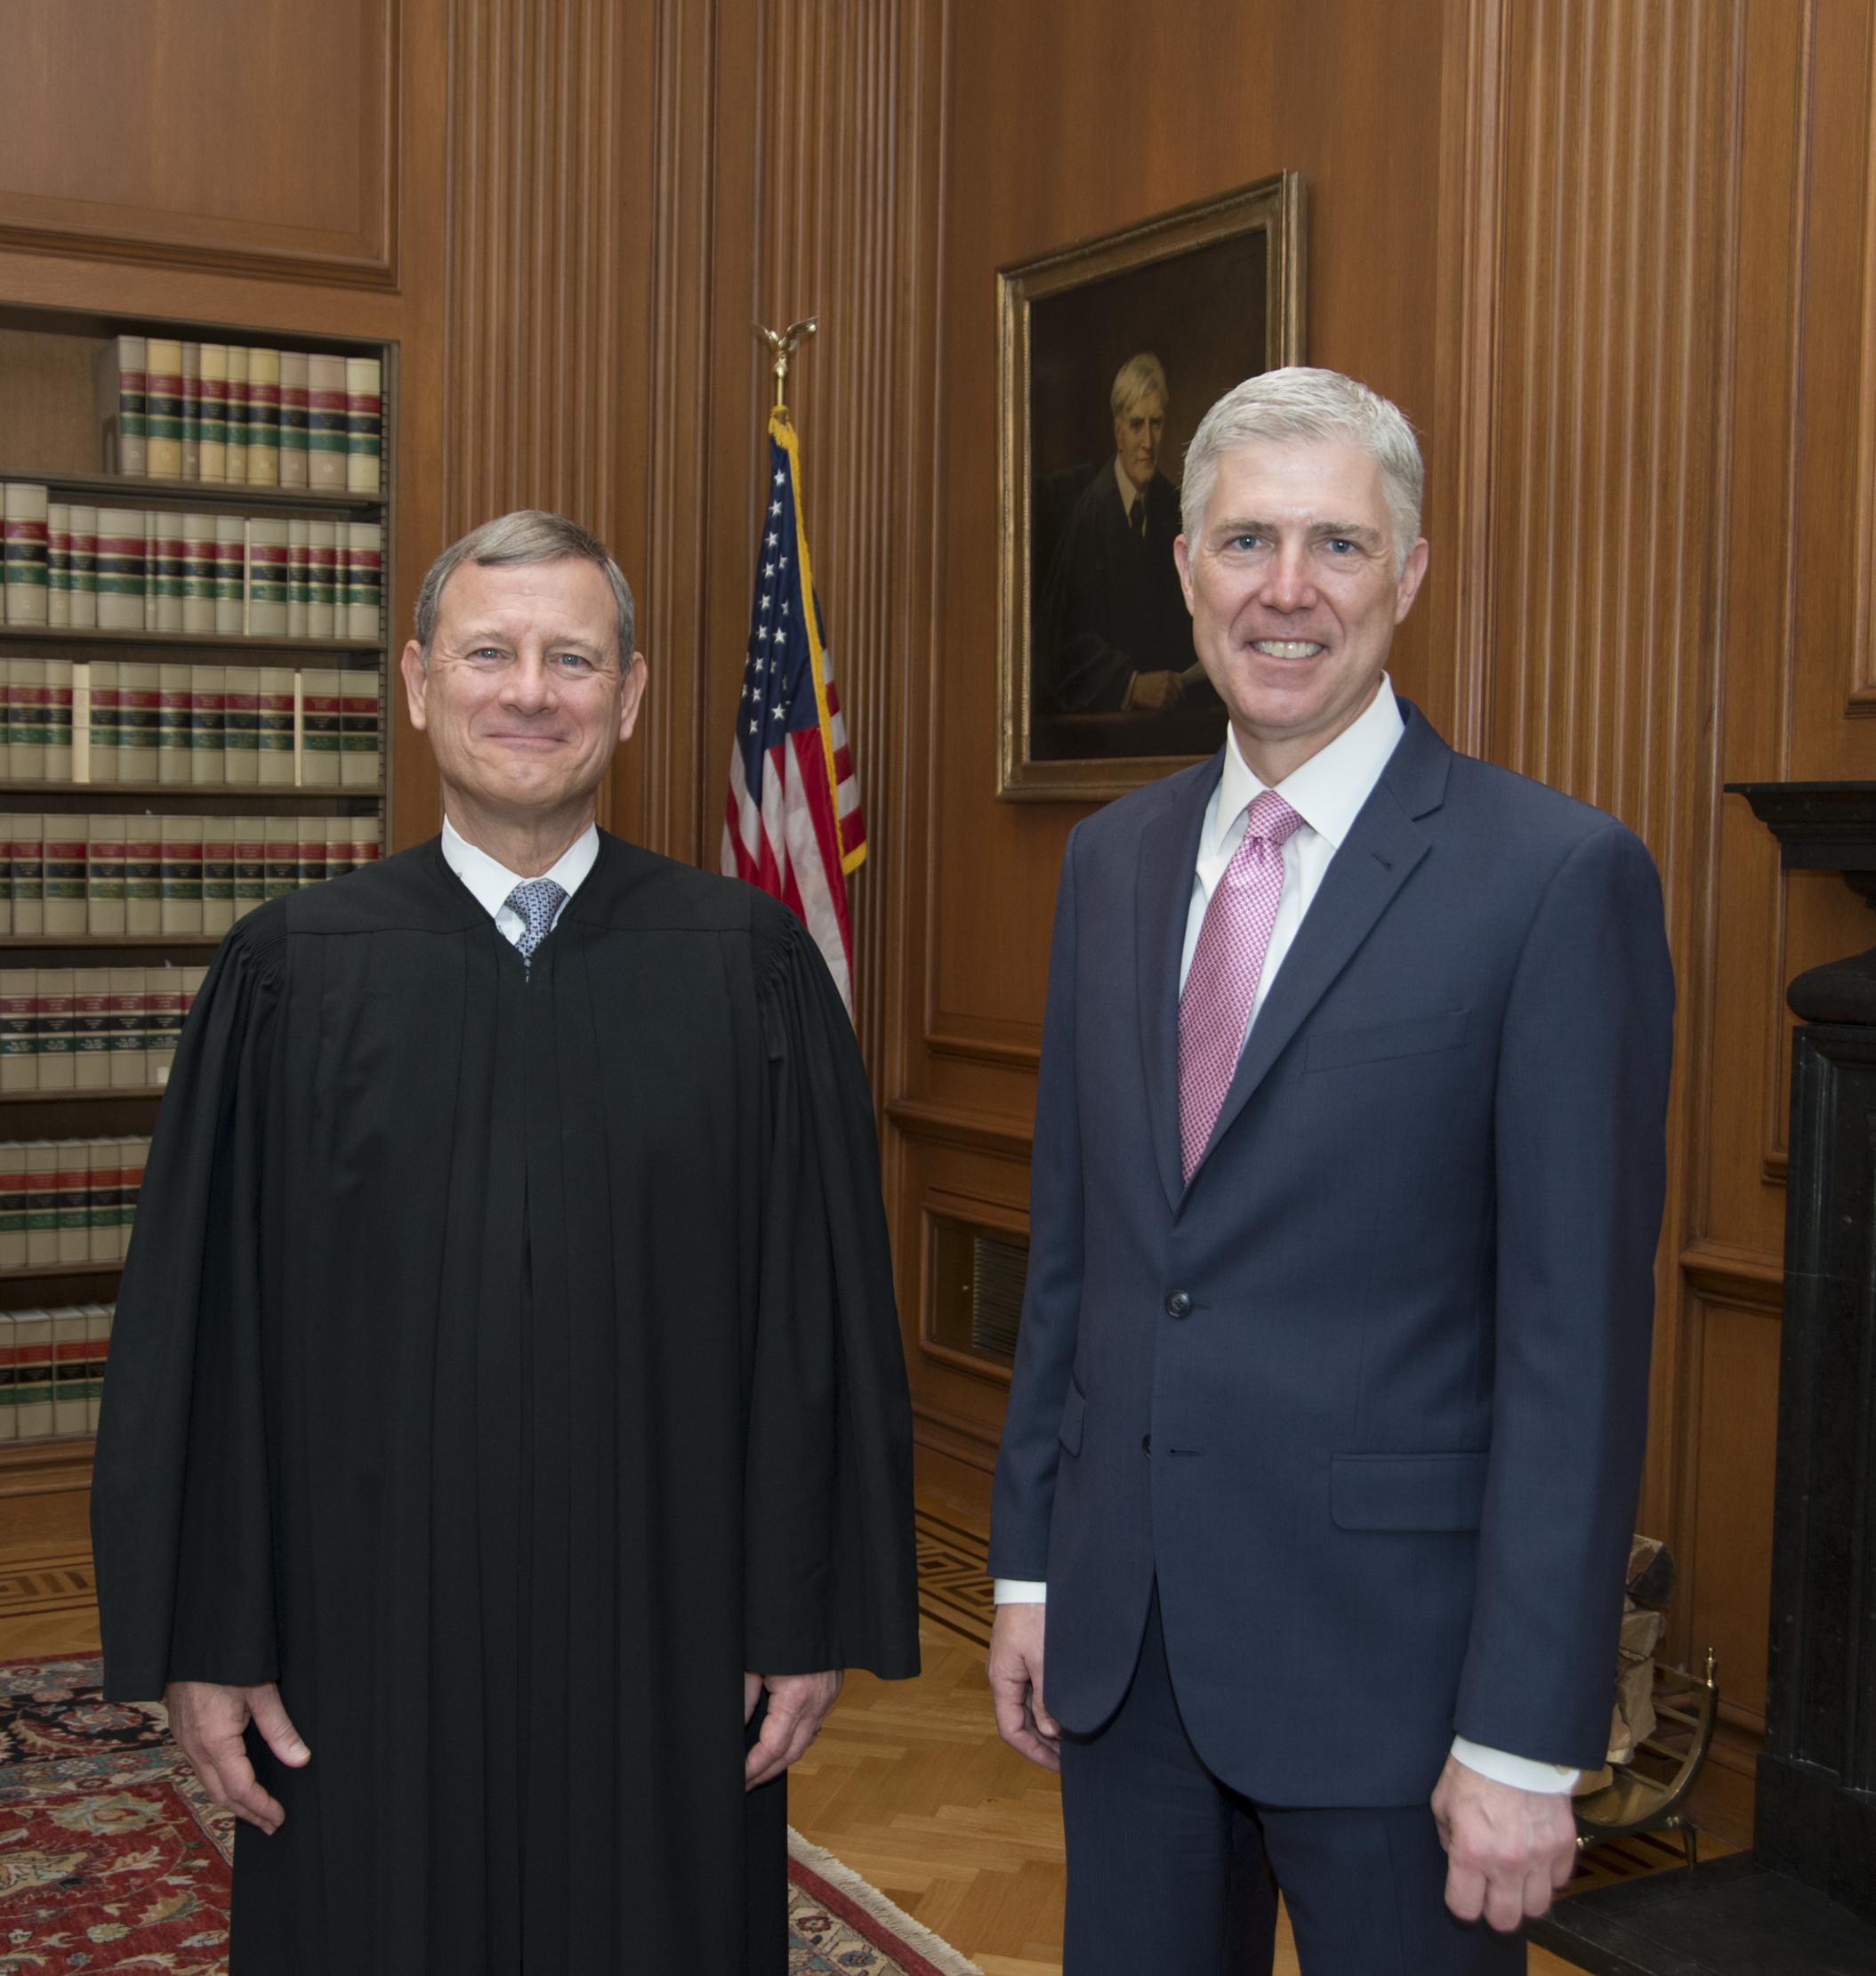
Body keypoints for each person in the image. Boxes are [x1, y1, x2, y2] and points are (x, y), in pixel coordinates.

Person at [90, 510, 920, 1975]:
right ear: (416, 683)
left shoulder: (746, 975)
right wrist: (209, 1635)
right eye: (489, 652)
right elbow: (204, 1336)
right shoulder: (288, 975)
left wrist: (800, 1611)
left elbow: (808, 1324)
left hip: (662, 1642)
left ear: (631, 693)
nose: (529, 689)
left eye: (570, 657)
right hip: (360, 1648)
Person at [987, 368, 1673, 1973]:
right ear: (1181, 572)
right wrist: (1029, 1565)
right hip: (1129, 1658)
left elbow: (1570, 1347)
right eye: (1242, 541)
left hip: (1403, 1695)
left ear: (1409, 574)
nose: (1283, 590)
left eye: (1335, 546)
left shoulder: (1553, 878)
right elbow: (1075, 1256)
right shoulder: (1110, 863)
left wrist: (1519, 1737)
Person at [1037, 351, 1200, 716]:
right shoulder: (1091, 513)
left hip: (1172, 718)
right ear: (1118, 432)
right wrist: (1130, 683)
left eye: (1156, 424)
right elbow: (1061, 643)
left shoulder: (1173, 509)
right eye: (1136, 424)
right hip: (1108, 726)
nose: (1147, 442)